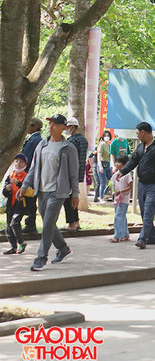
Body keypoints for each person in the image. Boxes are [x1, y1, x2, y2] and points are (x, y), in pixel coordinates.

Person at [17, 114, 79, 271]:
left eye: (55, 124)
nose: (51, 127)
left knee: (47, 224)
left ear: (63, 128)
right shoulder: (42, 145)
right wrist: (24, 186)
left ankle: (41, 257)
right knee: (49, 224)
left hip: (58, 192)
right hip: (41, 191)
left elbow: (73, 173)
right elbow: (33, 169)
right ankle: (63, 248)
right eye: (50, 124)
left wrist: (76, 194)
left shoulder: (68, 148)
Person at [113, 122, 155, 249]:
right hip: (142, 184)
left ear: (143, 132)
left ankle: (142, 239)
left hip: (154, 184)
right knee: (144, 211)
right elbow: (133, 161)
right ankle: (151, 236)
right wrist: (122, 172)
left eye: (138, 133)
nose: (137, 135)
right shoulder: (141, 147)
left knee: (149, 211)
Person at [63, 118, 88, 231]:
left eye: (67, 127)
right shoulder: (83, 140)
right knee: (74, 198)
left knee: (67, 199)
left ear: (72, 127)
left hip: (69, 173)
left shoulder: (71, 141)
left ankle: (71, 223)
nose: (65, 130)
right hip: (79, 173)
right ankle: (76, 222)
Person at [20, 117, 43, 233]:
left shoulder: (35, 140)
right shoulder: (35, 139)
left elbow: (27, 158)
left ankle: (30, 224)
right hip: (31, 174)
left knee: (29, 200)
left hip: (30, 174)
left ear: (34, 126)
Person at [3, 154, 29, 254]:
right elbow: (4, 193)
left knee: (15, 224)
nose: (18, 163)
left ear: (25, 164)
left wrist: (18, 183)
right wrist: (7, 189)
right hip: (11, 204)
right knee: (8, 227)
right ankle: (13, 247)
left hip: (21, 205)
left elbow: (29, 190)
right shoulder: (10, 176)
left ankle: (21, 242)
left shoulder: (26, 176)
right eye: (16, 161)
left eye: (21, 162)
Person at [109, 155, 132, 242]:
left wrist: (121, 191)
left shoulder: (127, 175)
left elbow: (130, 186)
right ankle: (125, 234)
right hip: (117, 200)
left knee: (118, 217)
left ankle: (117, 236)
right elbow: (112, 183)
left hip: (123, 199)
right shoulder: (115, 174)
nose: (116, 164)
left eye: (119, 162)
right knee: (122, 217)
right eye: (116, 162)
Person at [94, 130, 113, 202]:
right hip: (102, 163)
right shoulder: (101, 145)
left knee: (112, 180)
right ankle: (101, 197)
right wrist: (100, 166)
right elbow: (99, 156)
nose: (107, 137)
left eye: (108, 136)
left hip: (108, 164)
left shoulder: (109, 145)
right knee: (103, 182)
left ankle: (104, 193)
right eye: (105, 136)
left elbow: (111, 156)